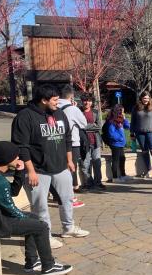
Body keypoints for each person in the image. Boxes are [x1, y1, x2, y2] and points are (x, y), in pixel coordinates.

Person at [11, 84, 89, 249]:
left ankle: (68, 228)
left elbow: (67, 137)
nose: (57, 103)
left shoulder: (59, 113)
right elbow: (21, 147)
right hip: (38, 170)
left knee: (67, 199)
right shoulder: (25, 117)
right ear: (44, 100)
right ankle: (44, 237)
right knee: (40, 206)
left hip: (61, 167)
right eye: (54, 100)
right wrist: (30, 171)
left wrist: (69, 160)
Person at [0, 141, 72, 275]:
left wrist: (19, 172)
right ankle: (49, 266)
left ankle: (32, 261)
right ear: (7, 159)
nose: (18, 158)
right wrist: (30, 221)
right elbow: (11, 209)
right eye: (16, 156)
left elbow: (13, 192)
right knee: (40, 226)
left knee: (33, 218)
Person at [58, 84, 87, 208]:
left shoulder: (53, 105)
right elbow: (84, 124)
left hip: (56, 142)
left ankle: (57, 195)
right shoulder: (73, 109)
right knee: (70, 169)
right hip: (72, 143)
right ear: (72, 96)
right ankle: (70, 198)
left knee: (59, 169)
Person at [79, 93, 105, 190]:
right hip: (84, 141)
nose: (87, 103)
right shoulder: (78, 111)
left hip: (95, 141)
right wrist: (91, 125)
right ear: (82, 101)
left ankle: (98, 182)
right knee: (85, 163)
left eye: (89, 101)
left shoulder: (95, 112)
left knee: (97, 163)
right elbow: (79, 126)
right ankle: (88, 182)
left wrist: (85, 126)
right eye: (85, 100)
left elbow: (99, 126)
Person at [105, 104, 132, 183]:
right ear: (115, 111)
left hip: (121, 144)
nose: (121, 113)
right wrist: (120, 138)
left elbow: (128, 126)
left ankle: (123, 175)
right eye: (120, 111)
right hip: (115, 144)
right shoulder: (111, 121)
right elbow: (111, 134)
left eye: (123, 111)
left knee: (122, 158)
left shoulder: (121, 119)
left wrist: (124, 118)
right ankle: (115, 177)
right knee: (116, 160)